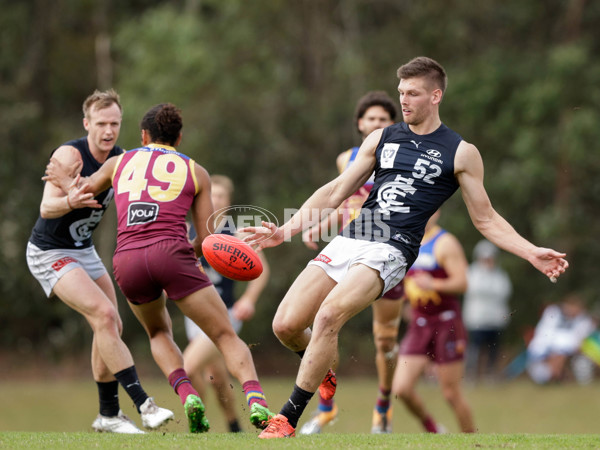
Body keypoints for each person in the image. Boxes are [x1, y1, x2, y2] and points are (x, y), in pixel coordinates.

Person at [241, 56, 568, 439]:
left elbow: (486, 219)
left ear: (436, 95)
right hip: (354, 235)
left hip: (392, 248)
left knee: (329, 316)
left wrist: (530, 251)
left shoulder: (461, 152)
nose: (404, 101)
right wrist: (288, 228)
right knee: (286, 325)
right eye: (401, 93)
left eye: (412, 93)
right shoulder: (382, 138)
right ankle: (321, 368)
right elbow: (334, 191)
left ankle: (288, 419)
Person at [44, 103, 274, 433]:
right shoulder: (197, 171)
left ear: (143, 135)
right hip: (172, 253)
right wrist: (189, 255)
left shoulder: (118, 162)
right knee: (224, 334)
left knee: (158, 332)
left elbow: (82, 193)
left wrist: (65, 181)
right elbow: (209, 239)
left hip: (128, 258)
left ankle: (187, 394)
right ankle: (255, 399)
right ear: (179, 138)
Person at [27, 89, 172, 434]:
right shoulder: (69, 154)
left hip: (83, 250)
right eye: (101, 124)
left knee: (111, 326)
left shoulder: (120, 159)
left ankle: (107, 415)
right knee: (104, 314)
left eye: (115, 124)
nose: (108, 131)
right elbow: (47, 208)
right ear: (86, 123)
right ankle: (144, 405)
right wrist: (71, 200)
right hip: (50, 251)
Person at [300, 91, 402, 434]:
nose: (376, 124)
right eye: (370, 119)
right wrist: (316, 225)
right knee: (327, 322)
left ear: (393, 125)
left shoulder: (404, 157)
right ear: (360, 124)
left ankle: (383, 406)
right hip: (351, 245)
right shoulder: (347, 159)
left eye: (383, 120)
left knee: (385, 339)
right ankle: (326, 407)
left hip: (388, 248)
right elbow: (344, 202)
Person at [182, 174, 270, 432]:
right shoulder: (189, 230)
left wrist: (249, 299)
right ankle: (234, 427)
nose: (215, 200)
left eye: (221, 196)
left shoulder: (236, 232)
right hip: (195, 313)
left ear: (229, 202)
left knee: (187, 367)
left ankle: (196, 423)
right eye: (211, 195)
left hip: (224, 314)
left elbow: (263, 270)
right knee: (216, 376)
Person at [393, 210, 475, 433]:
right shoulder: (405, 239)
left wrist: (434, 285)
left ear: (437, 212)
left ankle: (472, 442)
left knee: (451, 393)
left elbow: (463, 282)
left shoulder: (445, 243)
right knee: (402, 388)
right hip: (419, 324)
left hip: (446, 324)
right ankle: (433, 430)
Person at [462, 240, 512, 382]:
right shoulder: (471, 272)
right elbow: (474, 290)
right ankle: (471, 375)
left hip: (495, 319)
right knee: (475, 348)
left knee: (493, 349)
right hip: (477, 319)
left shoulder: (500, 275)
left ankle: (491, 375)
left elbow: (504, 292)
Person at [527, 293, 596, 385]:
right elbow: (545, 333)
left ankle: (557, 378)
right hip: (546, 348)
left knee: (579, 360)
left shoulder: (584, 320)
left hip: (572, 351)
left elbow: (582, 338)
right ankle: (552, 378)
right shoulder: (553, 312)